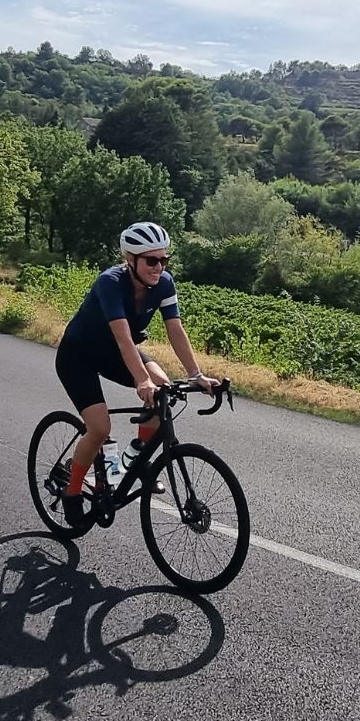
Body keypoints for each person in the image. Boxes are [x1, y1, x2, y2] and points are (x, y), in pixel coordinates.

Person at [55, 221, 217, 524]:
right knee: (100, 428)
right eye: (151, 260)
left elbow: (175, 330)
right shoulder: (110, 282)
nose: (159, 266)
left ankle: (136, 460)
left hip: (116, 354)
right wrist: (141, 379)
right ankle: (72, 491)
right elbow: (123, 338)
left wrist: (197, 375)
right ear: (131, 260)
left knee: (164, 389)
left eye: (164, 259)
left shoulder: (164, 284)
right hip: (79, 356)